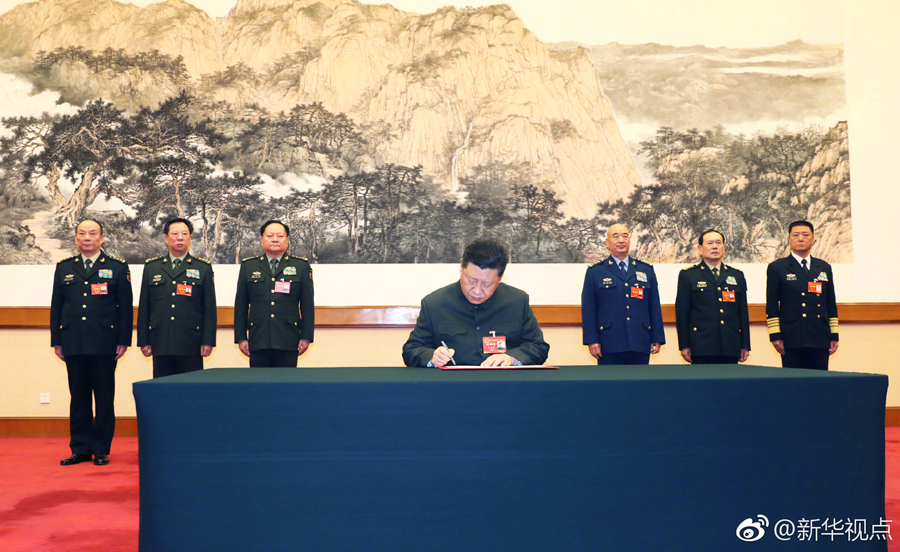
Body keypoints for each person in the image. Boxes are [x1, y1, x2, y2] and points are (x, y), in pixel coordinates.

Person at [50, 220, 132, 466]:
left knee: (104, 398)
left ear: (102, 238)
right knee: (78, 397)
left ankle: (101, 449)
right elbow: (57, 306)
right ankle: (80, 449)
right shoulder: (65, 267)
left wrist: (123, 340)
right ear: (76, 238)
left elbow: (125, 308)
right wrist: (57, 340)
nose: (87, 237)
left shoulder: (117, 267)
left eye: (92, 233)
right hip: (73, 342)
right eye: (82, 233)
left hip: (105, 342)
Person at [402, 239, 549, 368]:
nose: (477, 291)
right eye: (471, 280)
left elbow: (538, 347)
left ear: (500, 278)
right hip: (454, 385)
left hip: (504, 384)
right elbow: (411, 350)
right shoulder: (435, 303)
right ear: (461, 267)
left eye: (487, 284)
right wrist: (432, 357)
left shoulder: (517, 301)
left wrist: (511, 358)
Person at [137, 218, 216, 378]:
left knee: (191, 388)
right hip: (160, 341)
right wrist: (144, 340)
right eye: (175, 234)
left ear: (190, 238)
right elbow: (145, 306)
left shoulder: (203, 268)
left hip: (191, 341)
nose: (180, 238)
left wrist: (208, 340)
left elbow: (209, 308)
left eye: (184, 234)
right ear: (166, 238)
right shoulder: (152, 267)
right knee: (162, 389)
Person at [581, 223, 664, 365]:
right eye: (616, 236)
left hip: (640, 341)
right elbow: (589, 308)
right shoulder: (596, 271)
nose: (621, 240)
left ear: (629, 240)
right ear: (607, 242)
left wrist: (657, 337)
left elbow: (654, 306)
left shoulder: (646, 270)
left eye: (625, 236)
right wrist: (592, 340)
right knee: (610, 380)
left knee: (641, 379)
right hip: (609, 342)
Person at [234, 220, 314, 367]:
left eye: (280, 236)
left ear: (287, 240)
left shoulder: (301, 266)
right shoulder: (249, 266)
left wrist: (306, 336)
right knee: (258, 380)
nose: (275, 239)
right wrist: (241, 337)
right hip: (258, 338)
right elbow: (241, 305)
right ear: (261, 239)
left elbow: (307, 304)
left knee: (286, 381)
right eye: (270, 236)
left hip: (288, 338)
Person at [766, 220, 839, 370]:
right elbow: (772, 304)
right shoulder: (778, 267)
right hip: (791, 336)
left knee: (820, 380)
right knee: (794, 381)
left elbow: (830, 303)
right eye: (796, 235)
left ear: (813, 239)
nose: (800, 239)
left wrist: (834, 335)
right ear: (789, 239)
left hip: (819, 336)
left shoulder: (823, 267)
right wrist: (775, 335)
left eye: (805, 235)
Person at [674, 230, 750, 364]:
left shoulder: (736, 275)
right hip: (701, 345)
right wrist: (684, 345)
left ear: (724, 247)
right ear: (700, 248)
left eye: (718, 243)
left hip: (730, 345)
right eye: (709, 243)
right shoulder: (689, 275)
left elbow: (742, 312)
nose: (714, 247)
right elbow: (682, 314)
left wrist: (745, 344)